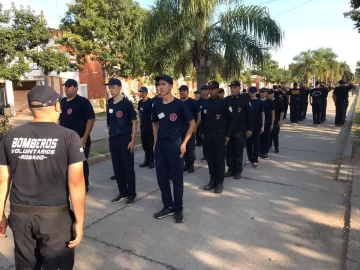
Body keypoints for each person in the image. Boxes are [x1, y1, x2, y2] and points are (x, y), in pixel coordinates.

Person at [0, 85, 85, 269]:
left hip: (20, 215)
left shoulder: (10, 136)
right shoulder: (69, 137)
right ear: (55, 106)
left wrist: (0, 215)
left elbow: (2, 179)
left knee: (26, 265)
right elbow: (76, 182)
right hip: (54, 218)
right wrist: (79, 221)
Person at [152, 75, 195, 223]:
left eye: (163, 84)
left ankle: (178, 208)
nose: (160, 87)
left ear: (171, 86)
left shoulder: (179, 105)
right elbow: (155, 123)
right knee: (162, 178)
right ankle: (167, 206)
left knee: (177, 179)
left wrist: (184, 143)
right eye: (159, 84)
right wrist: (155, 141)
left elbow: (192, 123)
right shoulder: (157, 105)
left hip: (175, 145)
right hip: (161, 146)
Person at [59, 79, 95, 193]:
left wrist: (84, 137)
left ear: (76, 88)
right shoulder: (62, 102)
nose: (66, 89)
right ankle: (70, 184)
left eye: (69, 86)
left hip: (80, 139)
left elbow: (91, 119)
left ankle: (84, 185)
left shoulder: (83, 102)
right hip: (65, 140)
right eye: (65, 86)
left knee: (81, 163)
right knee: (67, 164)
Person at [106, 78, 138, 205]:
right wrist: (110, 129)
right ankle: (123, 192)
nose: (111, 89)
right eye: (110, 87)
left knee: (128, 167)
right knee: (117, 166)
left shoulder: (126, 104)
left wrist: (133, 140)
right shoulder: (110, 103)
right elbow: (109, 120)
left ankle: (131, 193)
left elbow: (134, 122)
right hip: (113, 139)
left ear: (119, 88)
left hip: (125, 138)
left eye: (113, 87)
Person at [202, 81, 234, 192]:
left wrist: (228, 135)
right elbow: (203, 120)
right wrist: (202, 133)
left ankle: (219, 182)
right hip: (208, 135)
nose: (210, 91)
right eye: (209, 89)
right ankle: (212, 180)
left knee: (219, 159)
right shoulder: (206, 103)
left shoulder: (224, 103)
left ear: (217, 89)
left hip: (220, 135)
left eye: (212, 89)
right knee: (210, 159)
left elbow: (231, 120)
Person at [224, 80, 253, 179]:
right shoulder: (226, 100)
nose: (232, 89)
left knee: (238, 152)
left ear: (239, 88)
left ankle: (238, 170)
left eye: (234, 87)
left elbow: (250, 115)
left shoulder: (244, 100)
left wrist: (250, 128)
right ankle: (231, 169)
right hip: (228, 132)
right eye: (231, 88)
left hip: (239, 130)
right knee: (229, 152)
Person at [179, 85, 201, 173]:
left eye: (184, 91)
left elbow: (199, 115)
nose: (182, 92)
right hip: (180, 129)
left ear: (187, 91)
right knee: (183, 147)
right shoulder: (177, 102)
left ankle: (191, 164)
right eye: (180, 91)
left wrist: (195, 126)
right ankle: (186, 163)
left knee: (191, 147)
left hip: (190, 128)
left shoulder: (193, 102)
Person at [245, 87, 264, 168]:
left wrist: (263, 126)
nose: (251, 94)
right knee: (248, 143)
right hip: (248, 125)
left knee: (256, 143)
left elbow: (262, 114)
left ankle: (255, 159)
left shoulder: (259, 102)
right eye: (250, 92)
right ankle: (250, 159)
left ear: (256, 92)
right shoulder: (246, 101)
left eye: (253, 92)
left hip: (257, 125)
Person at [138, 86, 155, 169]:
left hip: (150, 127)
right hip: (143, 127)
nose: (141, 93)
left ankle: (152, 160)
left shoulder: (151, 102)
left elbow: (153, 114)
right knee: (144, 143)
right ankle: (147, 159)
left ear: (146, 92)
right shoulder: (140, 102)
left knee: (150, 143)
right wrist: (140, 121)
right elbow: (139, 112)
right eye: (140, 92)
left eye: (143, 92)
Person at [259, 88, 275, 159]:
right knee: (259, 138)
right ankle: (259, 152)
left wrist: (272, 123)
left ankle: (265, 152)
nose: (262, 93)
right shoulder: (257, 101)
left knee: (267, 138)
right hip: (258, 122)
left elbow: (273, 114)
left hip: (267, 122)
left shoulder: (270, 102)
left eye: (263, 92)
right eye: (260, 92)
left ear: (266, 93)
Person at [197, 86, 210, 160]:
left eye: (205, 90)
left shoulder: (211, 100)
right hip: (202, 123)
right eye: (202, 90)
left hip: (210, 123)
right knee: (203, 139)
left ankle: (210, 155)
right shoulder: (199, 101)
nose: (203, 92)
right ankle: (205, 155)